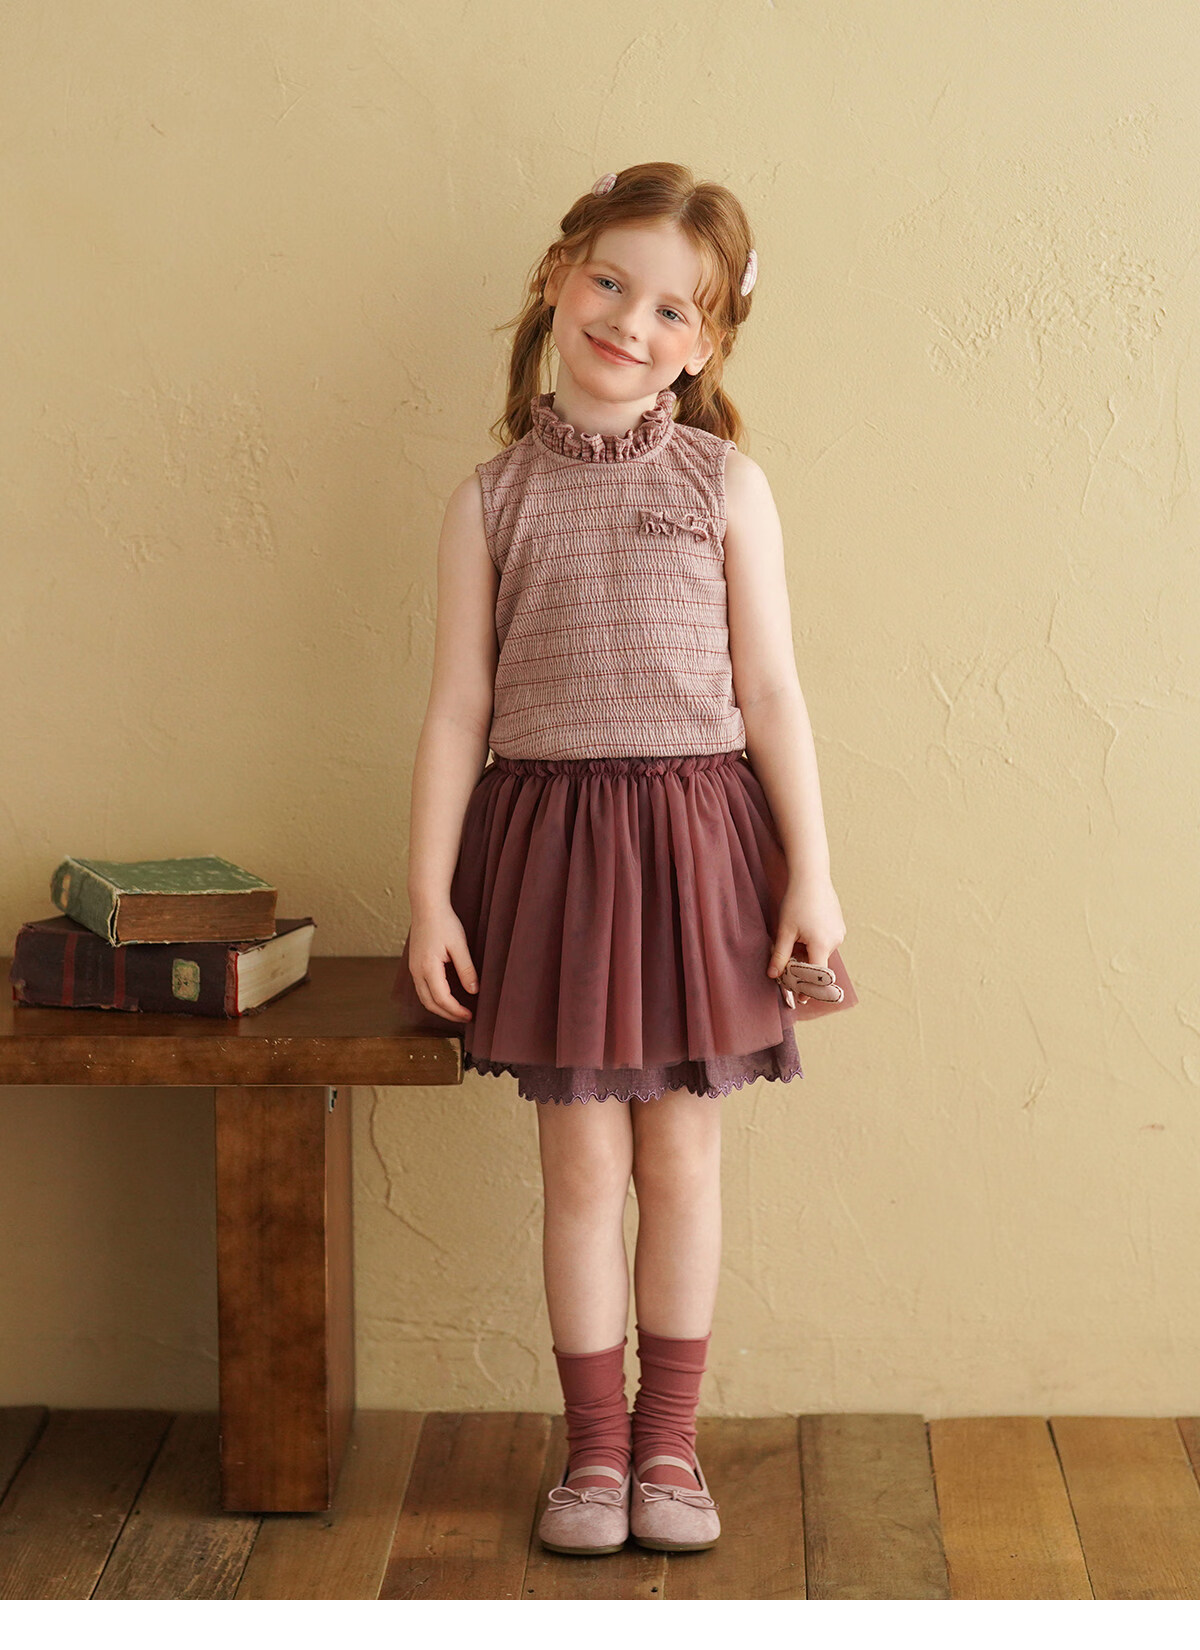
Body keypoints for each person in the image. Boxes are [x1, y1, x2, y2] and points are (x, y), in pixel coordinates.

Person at [392, 161, 855, 1556]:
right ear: (558, 277)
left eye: (671, 309)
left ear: (705, 346)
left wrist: (812, 872)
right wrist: (428, 895)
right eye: (609, 282)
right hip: (555, 860)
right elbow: (458, 709)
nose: (628, 322)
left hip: (700, 853)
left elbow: (771, 692)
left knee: (684, 1165)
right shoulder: (489, 501)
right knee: (584, 1174)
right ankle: (595, 1452)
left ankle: (670, 1448)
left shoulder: (728, 486)